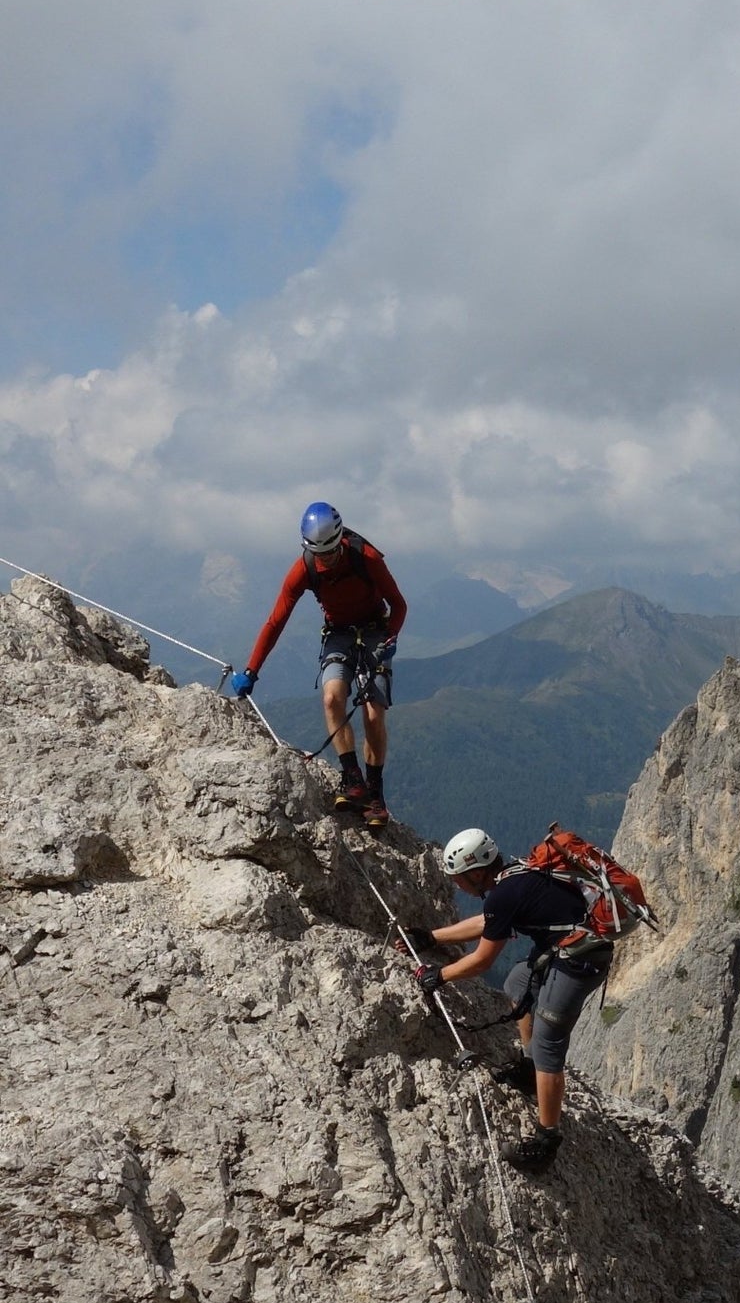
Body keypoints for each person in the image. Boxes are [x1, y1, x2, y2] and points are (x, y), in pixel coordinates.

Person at [415, 826, 614, 1174]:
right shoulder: (513, 876)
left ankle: (546, 1140)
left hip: (579, 963)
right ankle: (526, 1068)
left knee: (549, 1043)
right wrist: (431, 938)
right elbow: (488, 921)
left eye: (459, 878)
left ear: (476, 871)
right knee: (518, 981)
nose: (456, 885)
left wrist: (439, 976)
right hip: (571, 950)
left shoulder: (505, 891)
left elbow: (482, 960)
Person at [229, 502, 407, 829]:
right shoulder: (305, 569)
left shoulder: (366, 558)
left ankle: (375, 794)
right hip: (338, 634)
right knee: (331, 699)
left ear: (340, 539)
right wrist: (252, 670)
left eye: (331, 553)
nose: (326, 559)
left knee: (373, 711)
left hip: (374, 633)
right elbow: (276, 621)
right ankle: (352, 778)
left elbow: (398, 604)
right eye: (319, 554)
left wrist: (390, 639)